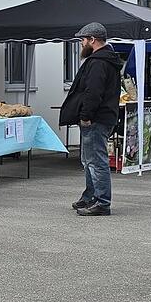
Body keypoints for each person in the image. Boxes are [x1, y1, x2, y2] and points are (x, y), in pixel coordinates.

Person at [58, 22, 124, 217]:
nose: (81, 44)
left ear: (92, 40)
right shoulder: (106, 60)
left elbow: (93, 92)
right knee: (89, 160)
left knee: (96, 161)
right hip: (103, 116)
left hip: (96, 118)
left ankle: (102, 202)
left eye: (82, 40)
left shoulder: (98, 62)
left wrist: (86, 115)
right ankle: (91, 196)